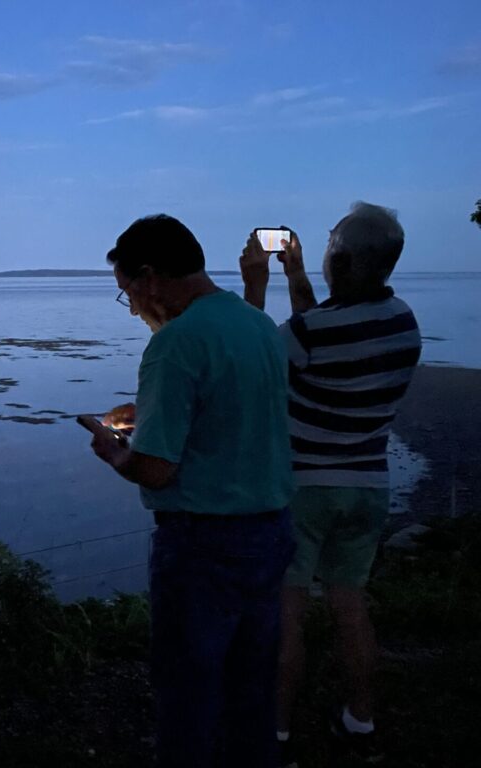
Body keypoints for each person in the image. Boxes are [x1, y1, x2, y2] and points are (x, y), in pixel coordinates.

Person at [85, 214, 295, 767]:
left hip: (203, 546)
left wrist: (115, 450)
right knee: (251, 693)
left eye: (128, 291)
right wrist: (152, 415)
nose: (132, 307)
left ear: (150, 276)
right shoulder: (256, 325)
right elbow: (233, 413)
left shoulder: (176, 343)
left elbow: (156, 469)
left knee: (188, 698)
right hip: (271, 532)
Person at [240, 203, 421, 767]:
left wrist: (257, 286)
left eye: (328, 244)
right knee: (349, 604)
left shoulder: (308, 331)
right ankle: (360, 720)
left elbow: (254, 364)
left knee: (286, 611)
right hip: (367, 484)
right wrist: (297, 280)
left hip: (304, 489)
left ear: (339, 260)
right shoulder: (403, 323)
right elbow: (328, 337)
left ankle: (278, 735)